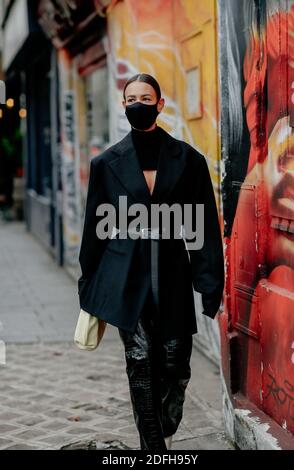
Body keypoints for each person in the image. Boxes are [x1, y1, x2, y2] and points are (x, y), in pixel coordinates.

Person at [78, 73, 224, 451]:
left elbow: (204, 227)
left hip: (173, 275)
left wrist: (210, 286)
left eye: (145, 97)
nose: (137, 104)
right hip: (127, 277)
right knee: (140, 363)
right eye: (131, 99)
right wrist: (88, 284)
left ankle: (164, 423)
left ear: (160, 104)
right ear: (124, 106)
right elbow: (95, 228)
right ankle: (154, 450)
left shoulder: (189, 161)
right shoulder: (106, 163)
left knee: (176, 365)